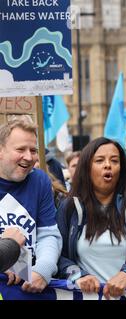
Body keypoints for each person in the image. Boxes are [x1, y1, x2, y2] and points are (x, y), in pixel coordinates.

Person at [56, 137, 126, 299]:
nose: (108, 165)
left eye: (114, 161)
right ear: (87, 168)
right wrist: (78, 275)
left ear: (121, 168)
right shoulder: (70, 207)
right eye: (99, 160)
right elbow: (58, 256)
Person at [0, 119, 62, 293]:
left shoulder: (40, 180)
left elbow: (48, 234)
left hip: (30, 288)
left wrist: (43, 269)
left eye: (33, 150)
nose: (29, 157)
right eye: (20, 149)